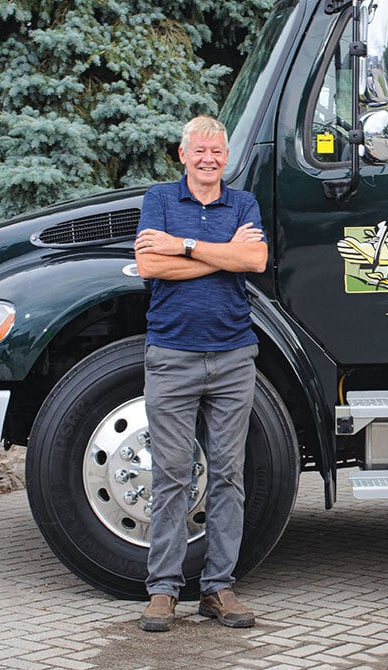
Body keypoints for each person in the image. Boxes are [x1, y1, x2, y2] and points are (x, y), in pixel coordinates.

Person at [134, 115, 268, 632]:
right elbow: (150, 266)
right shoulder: (160, 200)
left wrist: (184, 246)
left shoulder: (243, 204)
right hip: (172, 356)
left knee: (228, 475)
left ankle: (218, 588)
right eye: (200, 151)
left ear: (226, 157)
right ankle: (163, 590)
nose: (209, 159)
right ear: (183, 155)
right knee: (171, 474)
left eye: (217, 151)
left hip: (233, 357)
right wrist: (225, 255)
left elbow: (255, 260)